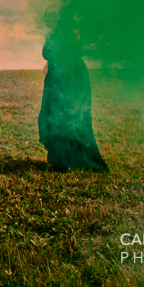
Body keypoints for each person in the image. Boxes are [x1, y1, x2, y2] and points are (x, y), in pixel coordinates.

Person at [38, 11, 107, 172]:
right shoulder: (57, 34)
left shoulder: (69, 34)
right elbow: (52, 56)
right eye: (47, 18)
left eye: (51, 17)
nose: (48, 21)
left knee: (67, 118)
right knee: (53, 117)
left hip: (69, 79)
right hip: (58, 78)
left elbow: (66, 55)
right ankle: (59, 160)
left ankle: (67, 161)